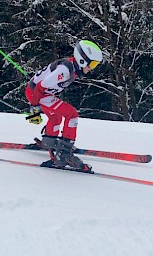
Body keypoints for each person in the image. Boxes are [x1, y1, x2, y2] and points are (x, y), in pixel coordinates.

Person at [25, 40, 103, 171]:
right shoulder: (65, 71)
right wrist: (34, 109)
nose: (91, 68)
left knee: (56, 117)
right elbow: (40, 86)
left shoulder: (72, 67)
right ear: (82, 60)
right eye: (92, 64)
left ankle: (49, 143)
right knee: (71, 115)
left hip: (39, 93)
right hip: (38, 94)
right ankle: (64, 155)